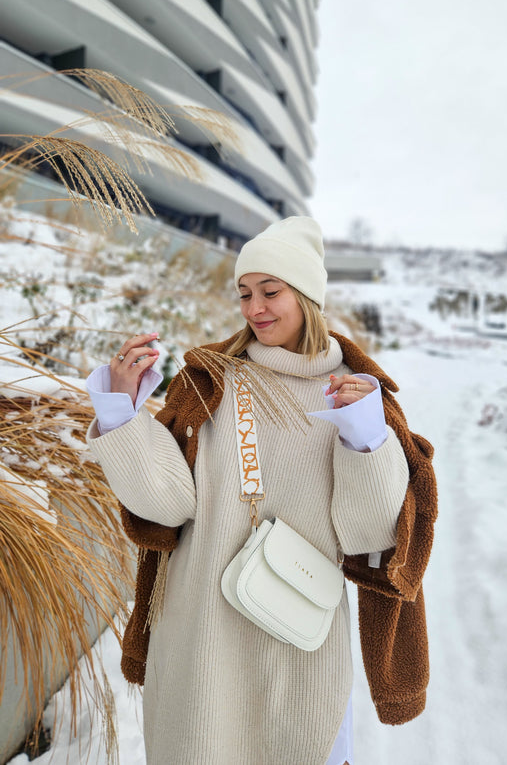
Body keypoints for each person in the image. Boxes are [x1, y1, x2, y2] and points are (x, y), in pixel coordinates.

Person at [86, 216, 437, 765]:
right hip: (203, 630)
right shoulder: (213, 379)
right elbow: (169, 505)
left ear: (305, 294)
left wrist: (365, 435)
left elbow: (368, 534)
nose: (254, 309)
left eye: (270, 291)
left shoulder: (354, 392)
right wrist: (120, 411)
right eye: (244, 294)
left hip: (298, 637)